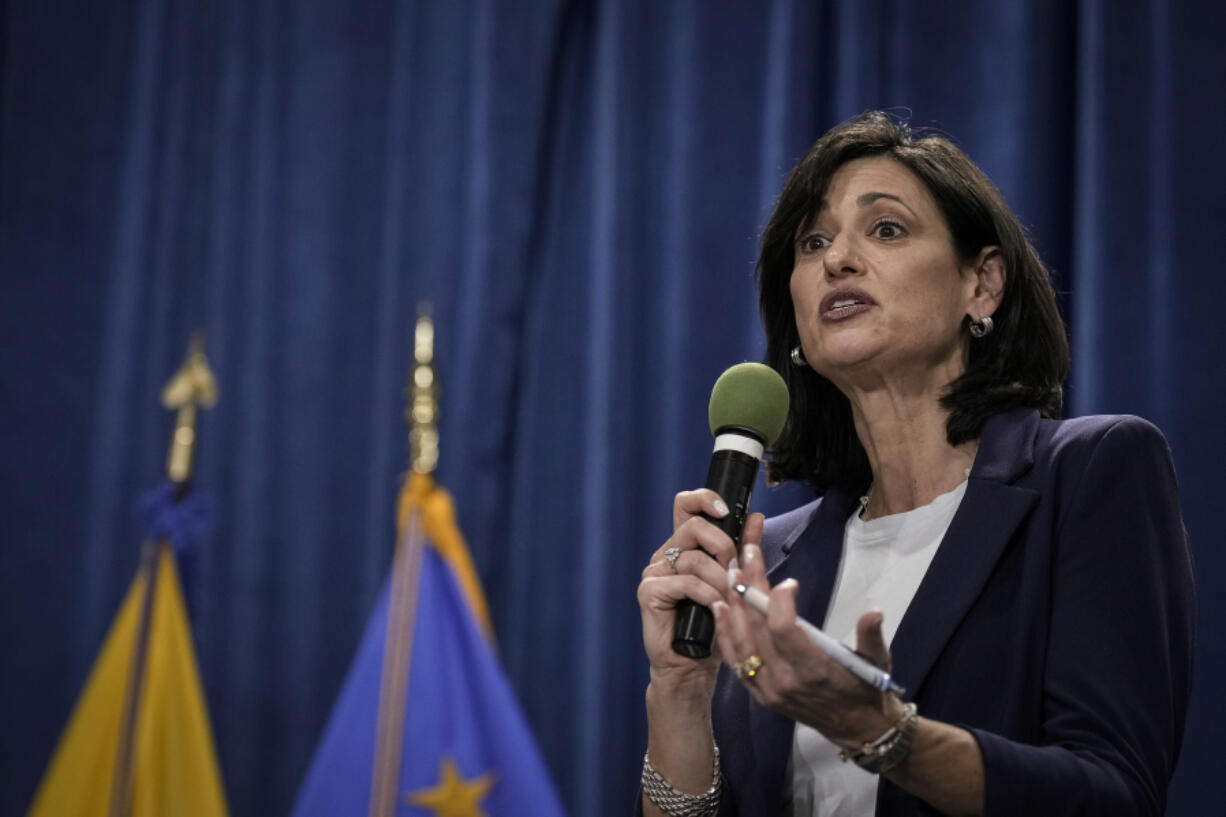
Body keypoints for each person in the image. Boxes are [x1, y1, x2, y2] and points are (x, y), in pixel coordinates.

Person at [635, 112, 1195, 817]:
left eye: (886, 229)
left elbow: (1117, 795)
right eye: (813, 242)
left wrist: (878, 731)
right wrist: (680, 690)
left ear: (982, 286)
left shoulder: (1090, 474)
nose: (837, 259)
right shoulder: (767, 560)